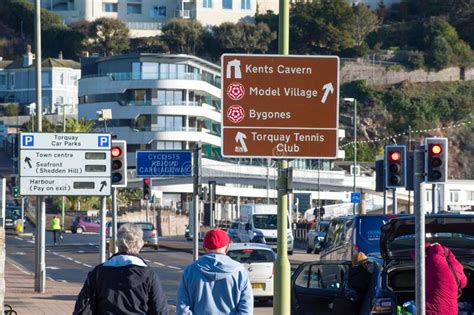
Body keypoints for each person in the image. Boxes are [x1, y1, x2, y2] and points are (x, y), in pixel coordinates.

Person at [73, 223, 169, 315]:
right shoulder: (148, 275)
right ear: (140, 244)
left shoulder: (99, 272)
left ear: (118, 243)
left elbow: (83, 306)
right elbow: (159, 309)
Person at [176, 228, 253, 315]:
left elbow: (182, 307)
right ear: (227, 247)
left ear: (204, 247)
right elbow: (246, 310)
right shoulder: (239, 272)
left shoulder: (190, 271)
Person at [418, 243, 467, 315]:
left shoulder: (432, 261)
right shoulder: (457, 266)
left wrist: (427, 245)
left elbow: (416, 254)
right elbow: (463, 283)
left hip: (431, 310)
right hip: (451, 311)